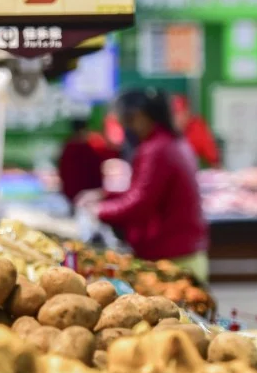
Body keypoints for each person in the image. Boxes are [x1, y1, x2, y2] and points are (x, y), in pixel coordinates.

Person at [79, 88, 208, 280]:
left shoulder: (155, 149)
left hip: (171, 261)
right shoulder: (174, 142)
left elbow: (140, 203)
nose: (125, 128)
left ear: (140, 116)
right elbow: (147, 191)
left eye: (127, 121)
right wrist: (105, 195)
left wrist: (98, 210)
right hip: (186, 255)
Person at [57, 119, 116, 212]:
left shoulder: (67, 147)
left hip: (71, 193)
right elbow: (96, 170)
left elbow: (62, 170)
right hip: (87, 194)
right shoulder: (88, 149)